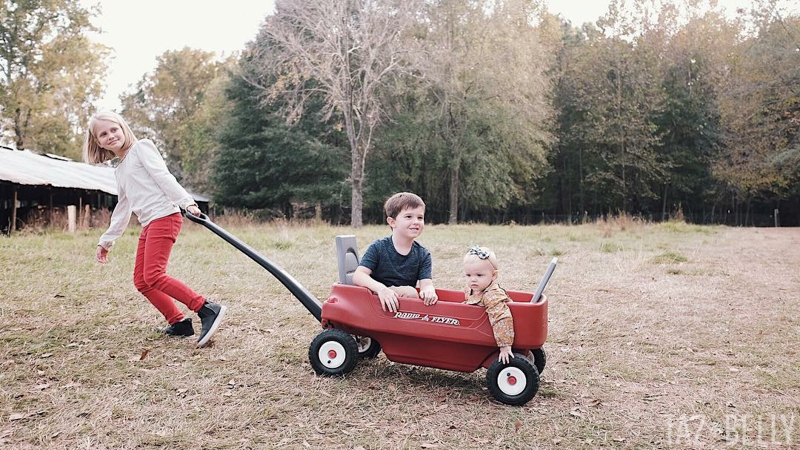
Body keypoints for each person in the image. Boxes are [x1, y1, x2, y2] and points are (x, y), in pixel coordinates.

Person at [84, 111, 226, 348]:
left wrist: (186, 202)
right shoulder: (119, 170)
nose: (110, 136)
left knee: (154, 275)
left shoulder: (141, 148)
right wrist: (106, 240)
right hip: (150, 223)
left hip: (165, 216)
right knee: (142, 281)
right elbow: (123, 207)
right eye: (103, 134)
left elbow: (163, 176)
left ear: (123, 127)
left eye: (114, 129)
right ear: (98, 142)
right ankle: (178, 322)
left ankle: (206, 308)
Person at [353, 192, 438, 312]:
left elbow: (426, 284)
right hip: (377, 297)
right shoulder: (379, 247)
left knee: (416, 295)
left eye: (420, 217)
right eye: (409, 217)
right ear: (392, 222)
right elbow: (359, 275)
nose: (416, 221)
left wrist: (429, 291)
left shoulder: (423, 254)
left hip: (399, 302)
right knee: (411, 293)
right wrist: (381, 289)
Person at [463, 246, 515, 364]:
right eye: (468, 275)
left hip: (499, 333)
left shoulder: (491, 295)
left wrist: (505, 345)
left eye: (479, 275)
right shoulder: (472, 288)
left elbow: (501, 318)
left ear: (494, 276)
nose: (473, 280)